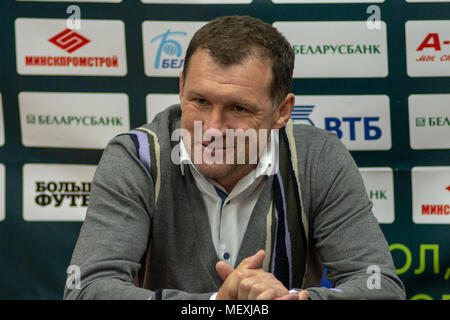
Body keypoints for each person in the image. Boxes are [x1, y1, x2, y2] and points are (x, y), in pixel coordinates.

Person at [64, 15, 405, 300]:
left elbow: (381, 287)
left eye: (238, 108)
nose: (212, 128)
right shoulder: (137, 158)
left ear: (282, 111)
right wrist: (216, 304)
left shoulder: (318, 158)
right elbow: (88, 288)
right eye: (199, 101)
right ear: (181, 88)